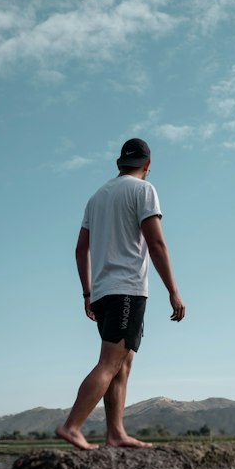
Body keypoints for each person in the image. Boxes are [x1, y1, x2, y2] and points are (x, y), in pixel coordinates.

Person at [55, 138, 185, 451]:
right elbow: (156, 244)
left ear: (119, 164)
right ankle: (72, 426)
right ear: (148, 165)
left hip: (102, 291)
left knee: (122, 364)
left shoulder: (96, 198)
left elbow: (80, 249)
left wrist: (87, 293)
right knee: (110, 363)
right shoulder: (144, 191)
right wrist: (173, 291)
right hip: (127, 289)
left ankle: (115, 433)